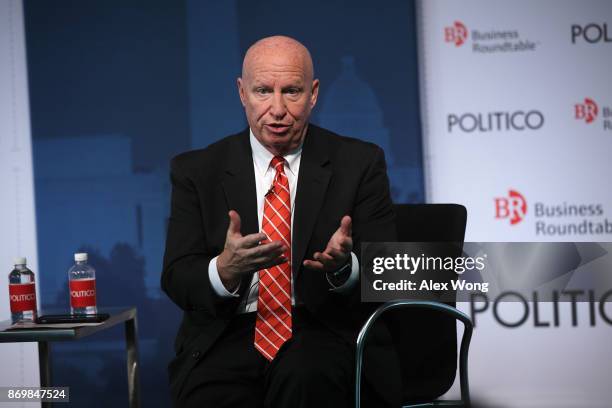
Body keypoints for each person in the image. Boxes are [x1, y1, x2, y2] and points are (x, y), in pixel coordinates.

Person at [161, 35, 400, 408]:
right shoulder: (197, 170)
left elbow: (390, 271)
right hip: (226, 333)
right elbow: (177, 276)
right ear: (242, 92)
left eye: (291, 91)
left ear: (313, 93)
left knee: (305, 377)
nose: (277, 109)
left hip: (322, 329)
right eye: (262, 91)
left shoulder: (359, 163)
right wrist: (224, 270)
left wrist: (344, 269)